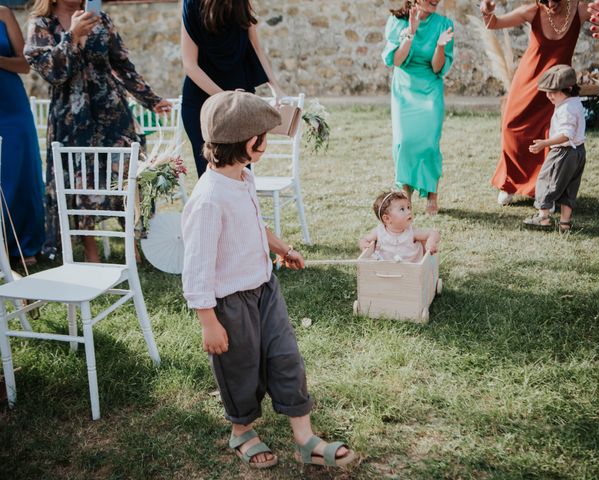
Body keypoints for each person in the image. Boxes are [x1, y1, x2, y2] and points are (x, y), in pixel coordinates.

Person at [181, 91, 357, 469]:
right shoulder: (208, 198)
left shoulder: (243, 177)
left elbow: (253, 224)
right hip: (230, 303)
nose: (268, 140)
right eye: (265, 134)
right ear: (249, 143)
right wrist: (209, 322)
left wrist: (281, 247)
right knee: (241, 368)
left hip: (265, 289)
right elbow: (196, 267)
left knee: (286, 358)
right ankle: (241, 429)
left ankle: (305, 438)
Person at [24, 0, 171, 262]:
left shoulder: (100, 18)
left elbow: (122, 64)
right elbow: (52, 72)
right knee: (80, 180)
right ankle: (90, 250)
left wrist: (150, 98)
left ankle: (132, 244)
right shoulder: (41, 23)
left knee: (125, 175)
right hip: (71, 116)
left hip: (111, 110)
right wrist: (73, 36)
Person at [480, 0, 589, 206]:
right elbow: (493, 23)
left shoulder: (580, 10)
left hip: (558, 87)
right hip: (528, 81)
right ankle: (509, 183)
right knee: (511, 127)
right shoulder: (532, 11)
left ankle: (547, 188)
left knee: (552, 135)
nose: (550, 4)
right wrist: (487, 11)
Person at [181, 0, 285, 178]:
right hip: (203, 103)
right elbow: (190, 65)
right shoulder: (192, 4)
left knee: (242, 171)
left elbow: (256, 48)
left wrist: (276, 88)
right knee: (211, 175)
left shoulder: (243, 2)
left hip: (241, 104)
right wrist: (227, 99)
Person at [381, 0, 454, 215]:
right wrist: (410, 33)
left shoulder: (444, 24)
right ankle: (405, 194)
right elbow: (396, 61)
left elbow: (437, 67)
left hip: (430, 88)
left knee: (430, 144)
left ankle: (432, 193)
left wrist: (440, 46)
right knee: (404, 142)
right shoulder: (396, 21)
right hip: (405, 88)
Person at [0, 6, 45, 266]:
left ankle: (23, 245)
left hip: (11, 107)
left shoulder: (3, 13)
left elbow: (24, 64)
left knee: (18, 173)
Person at [523, 65, 586, 232]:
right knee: (570, 187)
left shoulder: (566, 109)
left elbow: (567, 134)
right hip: (579, 152)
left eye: (553, 92)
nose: (548, 96)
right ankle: (565, 223)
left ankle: (543, 218)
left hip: (563, 152)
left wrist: (545, 143)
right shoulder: (575, 102)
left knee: (547, 181)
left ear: (568, 88)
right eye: (547, 91)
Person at [359, 191, 440, 262]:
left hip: (411, 272)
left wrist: (431, 242)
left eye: (408, 207)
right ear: (387, 218)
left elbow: (433, 233)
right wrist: (364, 244)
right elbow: (364, 239)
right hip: (387, 271)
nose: (409, 211)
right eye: (402, 209)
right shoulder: (379, 232)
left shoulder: (411, 232)